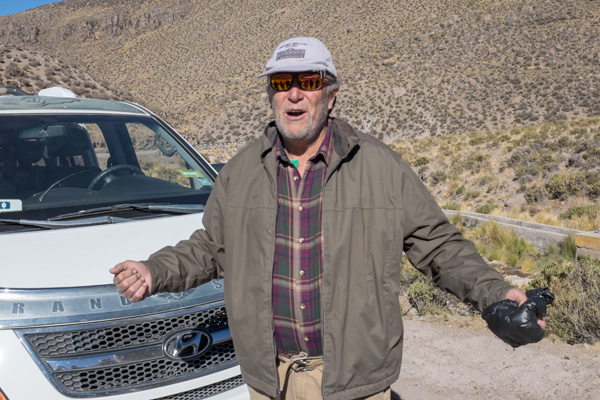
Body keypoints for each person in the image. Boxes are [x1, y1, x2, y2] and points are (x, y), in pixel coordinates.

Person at [111, 37, 546, 400]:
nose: (293, 93)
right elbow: (211, 247)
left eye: (308, 82)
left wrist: (496, 294)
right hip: (270, 380)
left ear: (331, 95)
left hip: (354, 383)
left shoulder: (380, 167)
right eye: (281, 82)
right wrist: (154, 270)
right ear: (270, 95)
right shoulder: (241, 172)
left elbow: (439, 245)